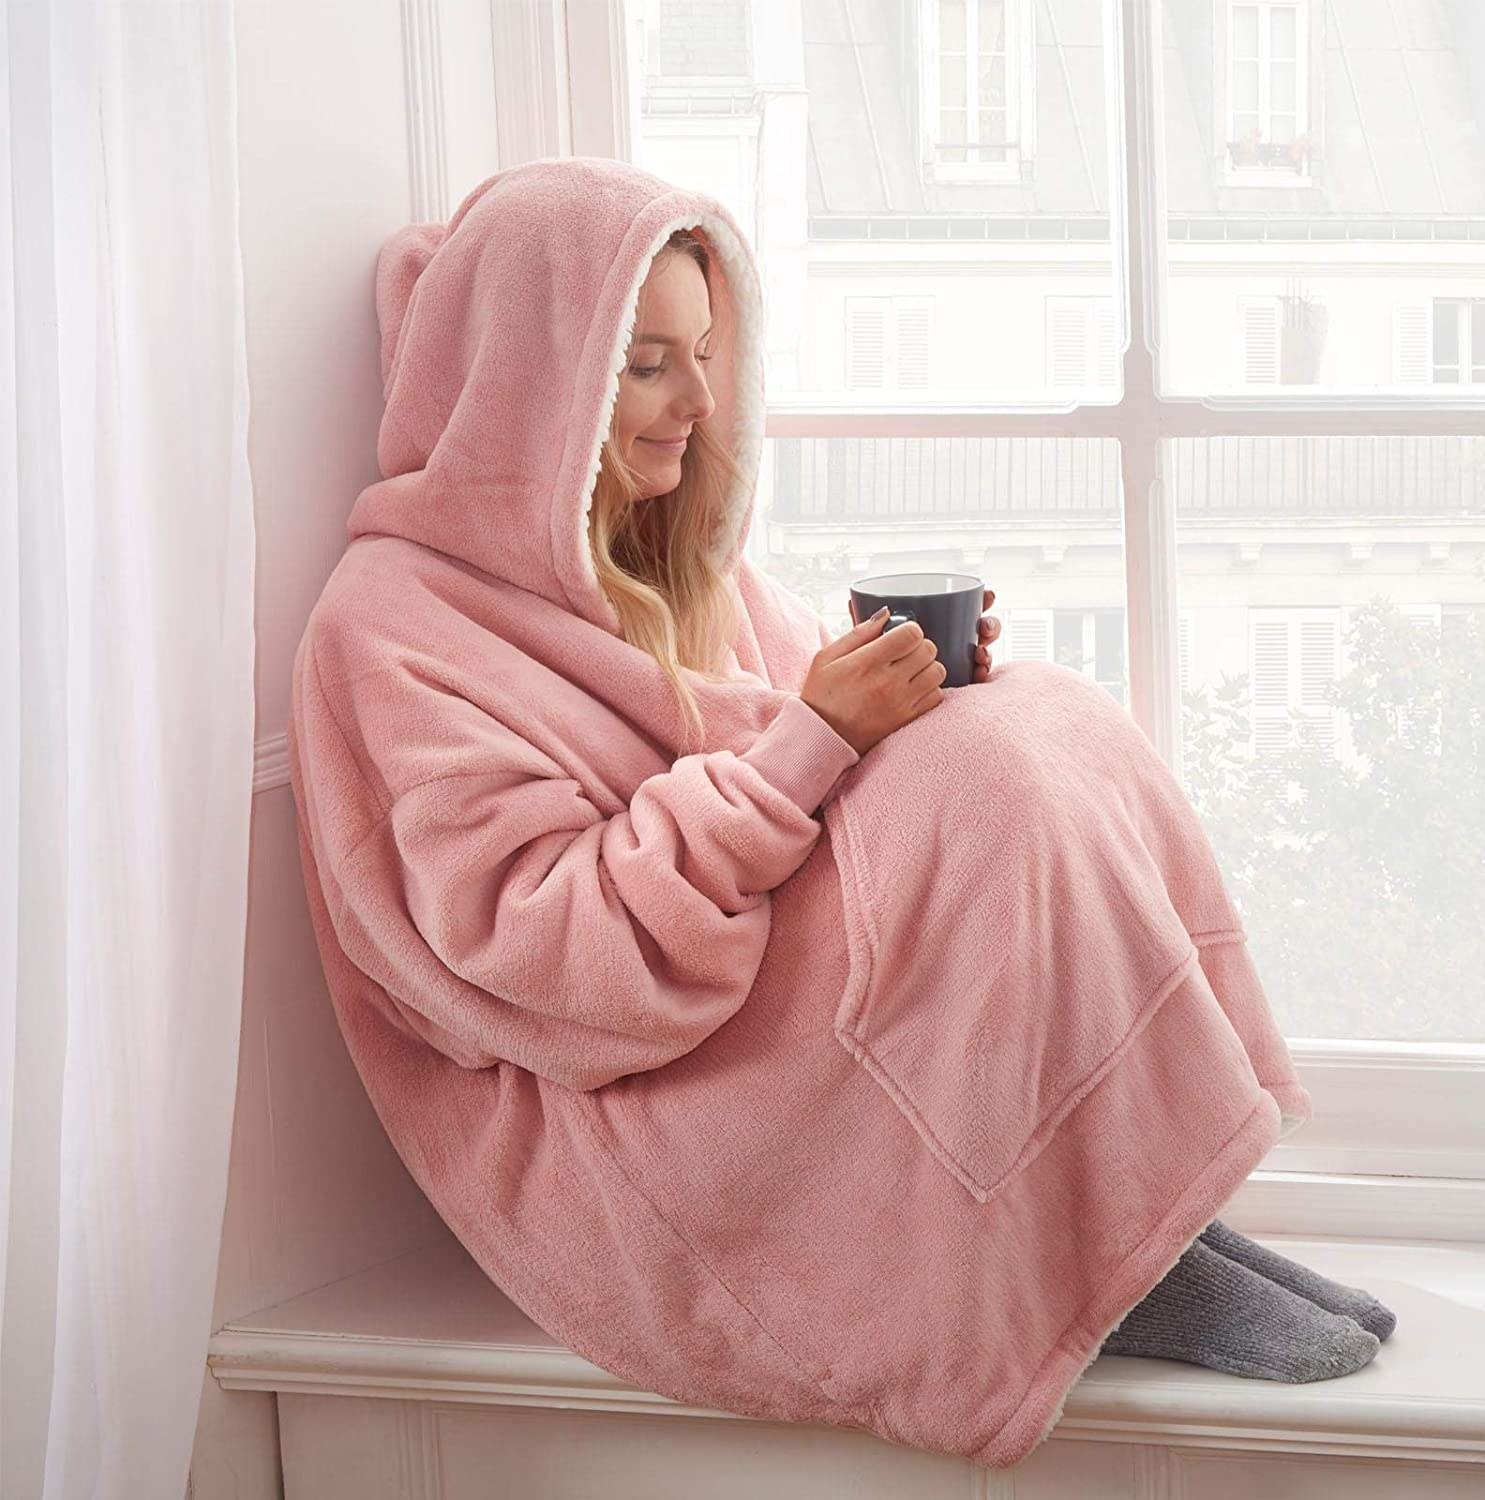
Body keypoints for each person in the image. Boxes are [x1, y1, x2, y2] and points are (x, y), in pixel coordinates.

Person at [285, 157, 1392, 1473]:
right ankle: (1096, 1265)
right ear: (533, 384)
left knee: (1033, 718)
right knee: (975, 782)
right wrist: (829, 735)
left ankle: (1133, 1219)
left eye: (706, 354)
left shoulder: (668, 559)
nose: (700, 402)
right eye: (648, 365)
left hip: (722, 1018)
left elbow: (795, 750)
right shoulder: (391, 632)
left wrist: (912, 691)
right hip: (619, 1121)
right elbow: (548, 962)